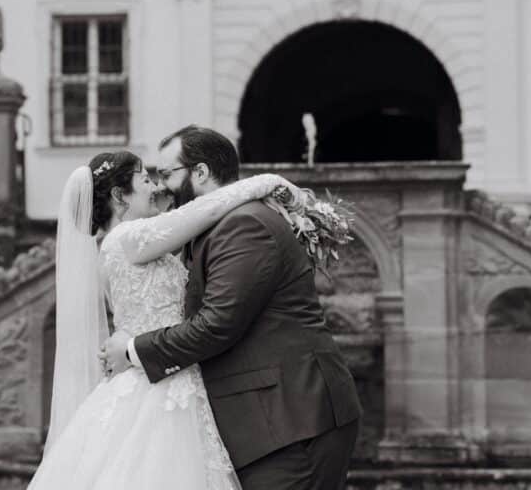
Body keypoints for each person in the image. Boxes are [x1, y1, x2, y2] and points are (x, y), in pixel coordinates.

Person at [101, 125, 362, 489]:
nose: (159, 187)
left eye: (166, 174)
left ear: (201, 173)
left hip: (292, 420)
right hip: (264, 424)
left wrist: (132, 350)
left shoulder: (243, 225)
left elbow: (217, 324)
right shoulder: (213, 227)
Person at [28, 150, 296, 489]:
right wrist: (267, 182)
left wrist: (125, 345)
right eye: (144, 179)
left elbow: (131, 315)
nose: (154, 186)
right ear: (117, 195)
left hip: (153, 366)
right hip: (161, 383)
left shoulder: (110, 248)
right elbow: (205, 209)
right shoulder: (129, 237)